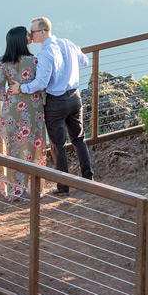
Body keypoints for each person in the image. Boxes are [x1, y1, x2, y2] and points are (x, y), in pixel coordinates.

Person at [8, 17, 92, 195]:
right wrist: (77, 51)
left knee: (58, 145)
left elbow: (41, 83)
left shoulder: (45, 54)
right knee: (78, 139)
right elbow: (85, 62)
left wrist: (20, 88)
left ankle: (63, 187)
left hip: (57, 102)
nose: (30, 35)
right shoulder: (68, 43)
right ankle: (88, 179)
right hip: (75, 97)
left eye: (32, 32)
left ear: (43, 32)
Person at [0, 26, 48, 202]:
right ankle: (32, 189)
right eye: (27, 34)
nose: (29, 36)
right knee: (32, 146)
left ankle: (13, 189)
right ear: (23, 40)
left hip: (11, 111)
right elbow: (43, 86)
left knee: (12, 149)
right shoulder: (35, 61)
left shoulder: (3, 64)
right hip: (33, 110)